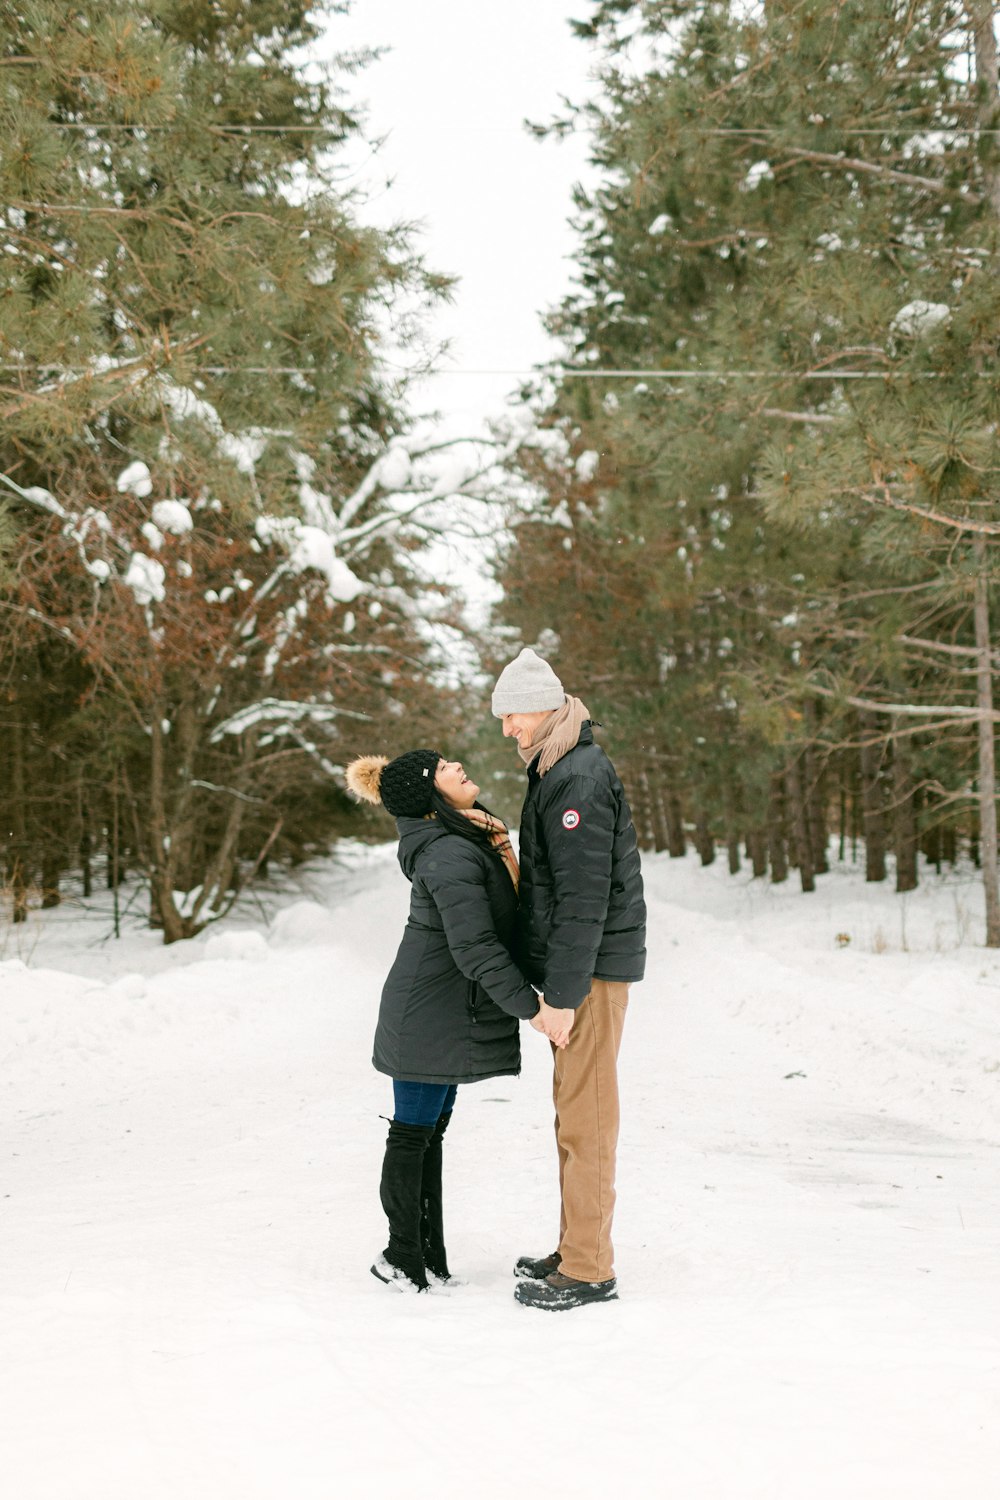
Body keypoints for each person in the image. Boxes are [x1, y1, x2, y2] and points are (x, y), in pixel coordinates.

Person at [345, 746, 545, 1294]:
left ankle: (426, 1257)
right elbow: (477, 949)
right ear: (432, 795)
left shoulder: (459, 842)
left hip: (437, 1011)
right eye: (443, 769)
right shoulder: (448, 855)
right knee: (412, 1135)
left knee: (428, 1134)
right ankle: (400, 1254)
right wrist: (533, 1008)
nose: (457, 767)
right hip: (424, 1014)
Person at [492, 646, 646, 1311]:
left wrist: (560, 996)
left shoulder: (577, 777)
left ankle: (589, 1268)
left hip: (588, 975)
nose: (507, 731)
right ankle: (574, 1246)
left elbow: (585, 899)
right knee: (573, 1115)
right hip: (579, 971)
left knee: (587, 1118)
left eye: (511, 717)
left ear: (542, 707)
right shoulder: (559, 767)